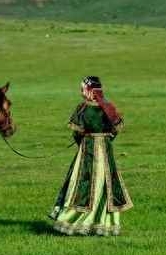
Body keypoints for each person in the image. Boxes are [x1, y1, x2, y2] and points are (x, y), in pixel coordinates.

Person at [49, 76, 133, 236]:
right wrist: (105, 139)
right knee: (105, 185)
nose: (81, 92)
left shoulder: (82, 109)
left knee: (81, 184)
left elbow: (77, 133)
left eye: (83, 89)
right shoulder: (108, 108)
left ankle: (75, 222)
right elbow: (115, 130)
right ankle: (104, 224)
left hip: (87, 151)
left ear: (91, 91)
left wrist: (85, 141)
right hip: (106, 152)